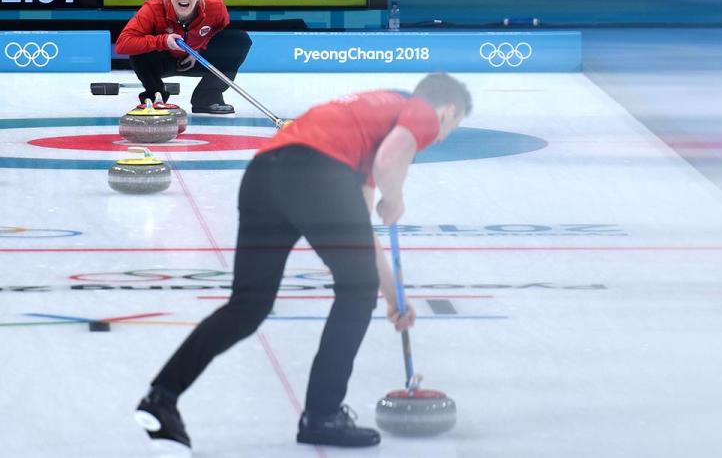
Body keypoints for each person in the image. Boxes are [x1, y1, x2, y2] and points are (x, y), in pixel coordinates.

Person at [134, 73, 472, 449]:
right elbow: (392, 158)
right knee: (356, 291)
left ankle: (162, 397)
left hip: (265, 174)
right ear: (449, 111)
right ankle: (322, 415)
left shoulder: (367, 116)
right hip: (317, 174)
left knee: (248, 305)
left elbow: (361, 235)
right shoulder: (422, 111)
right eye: (452, 128)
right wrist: (394, 199)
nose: (440, 137)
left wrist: (394, 298)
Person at [115, 0, 251, 114]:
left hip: (198, 59)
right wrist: (163, 41)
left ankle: (207, 98)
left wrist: (198, 49)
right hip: (163, 60)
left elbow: (219, 29)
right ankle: (155, 96)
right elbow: (122, 44)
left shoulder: (215, 6)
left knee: (239, 40)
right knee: (138, 48)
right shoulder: (153, 8)